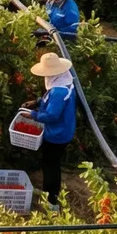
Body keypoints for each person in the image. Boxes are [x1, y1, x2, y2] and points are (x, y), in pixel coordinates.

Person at [27, 52, 77, 208]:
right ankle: (49, 194)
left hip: (57, 134)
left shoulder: (59, 91)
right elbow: (50, 100)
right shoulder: (64, 81)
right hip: (64, 129)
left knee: (51, 166)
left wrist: (34, 115)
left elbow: (52, 115)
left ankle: (52, 201)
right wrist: (36, 102)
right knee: (50, 163)